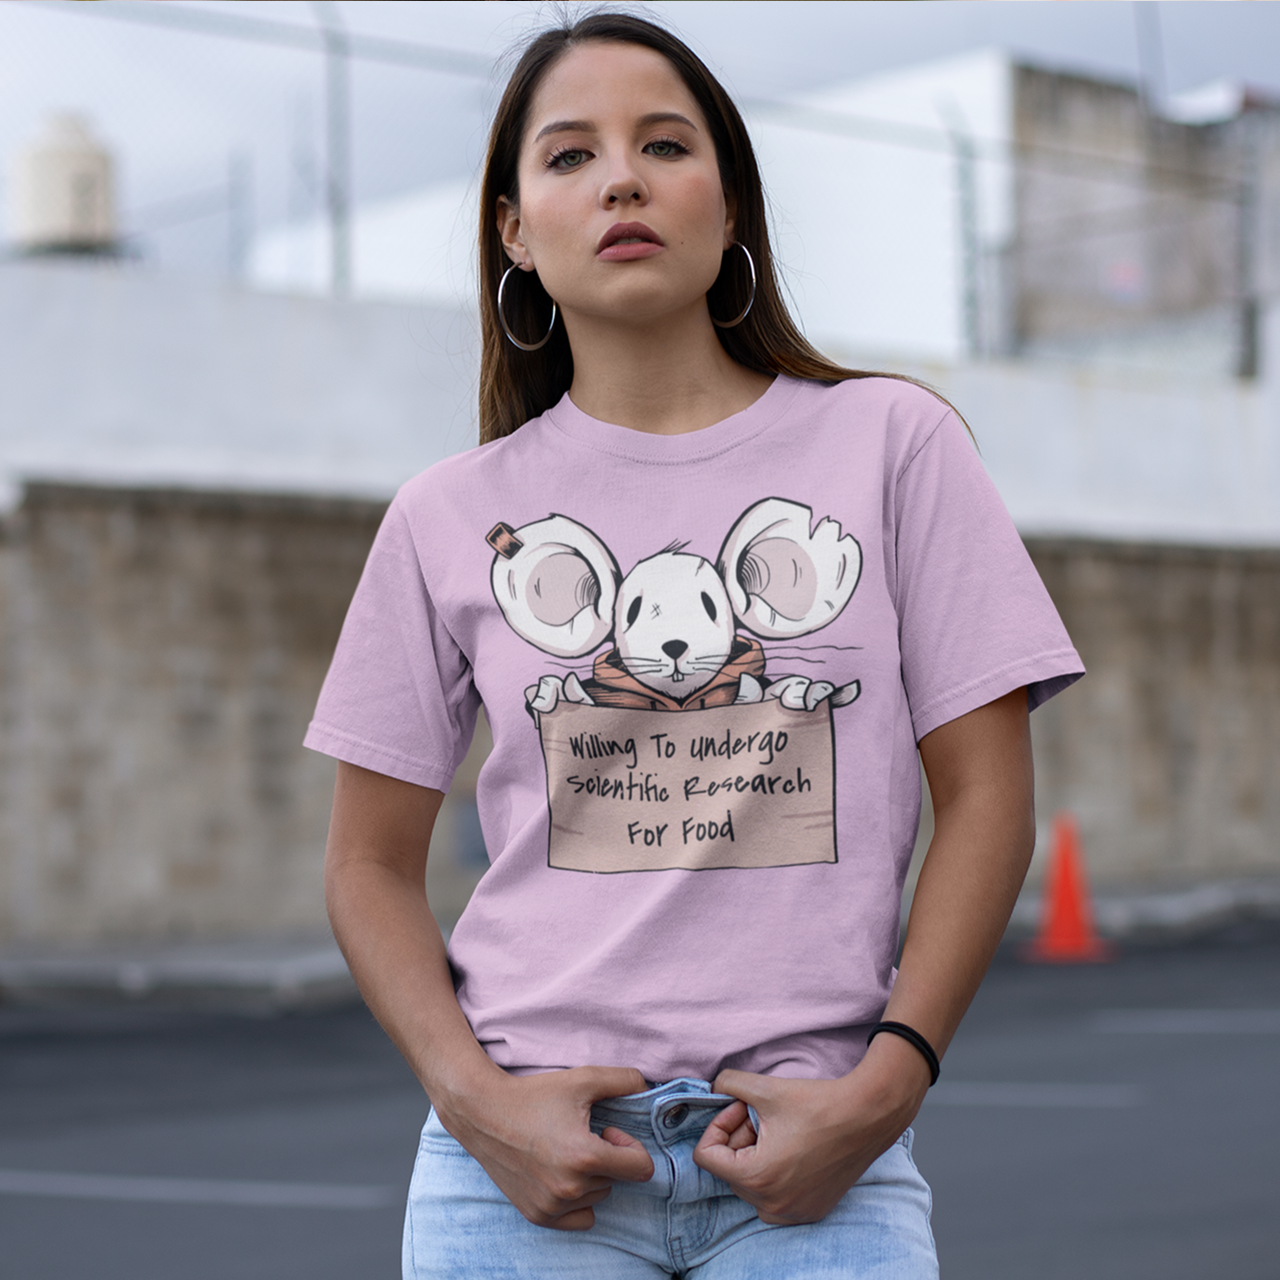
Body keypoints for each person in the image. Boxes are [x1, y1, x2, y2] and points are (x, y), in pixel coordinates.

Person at [306, 12, 1084, 1278]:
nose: (620, 176)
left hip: (817, 1161)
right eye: (569, 156)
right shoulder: (447, 516)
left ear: (729, 207)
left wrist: (889, 1085)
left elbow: (987, 795)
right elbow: (365, 867)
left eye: (662, 144)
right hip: (523, 1170)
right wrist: (473, 1100)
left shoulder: (891, 444)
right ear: (513, 231)